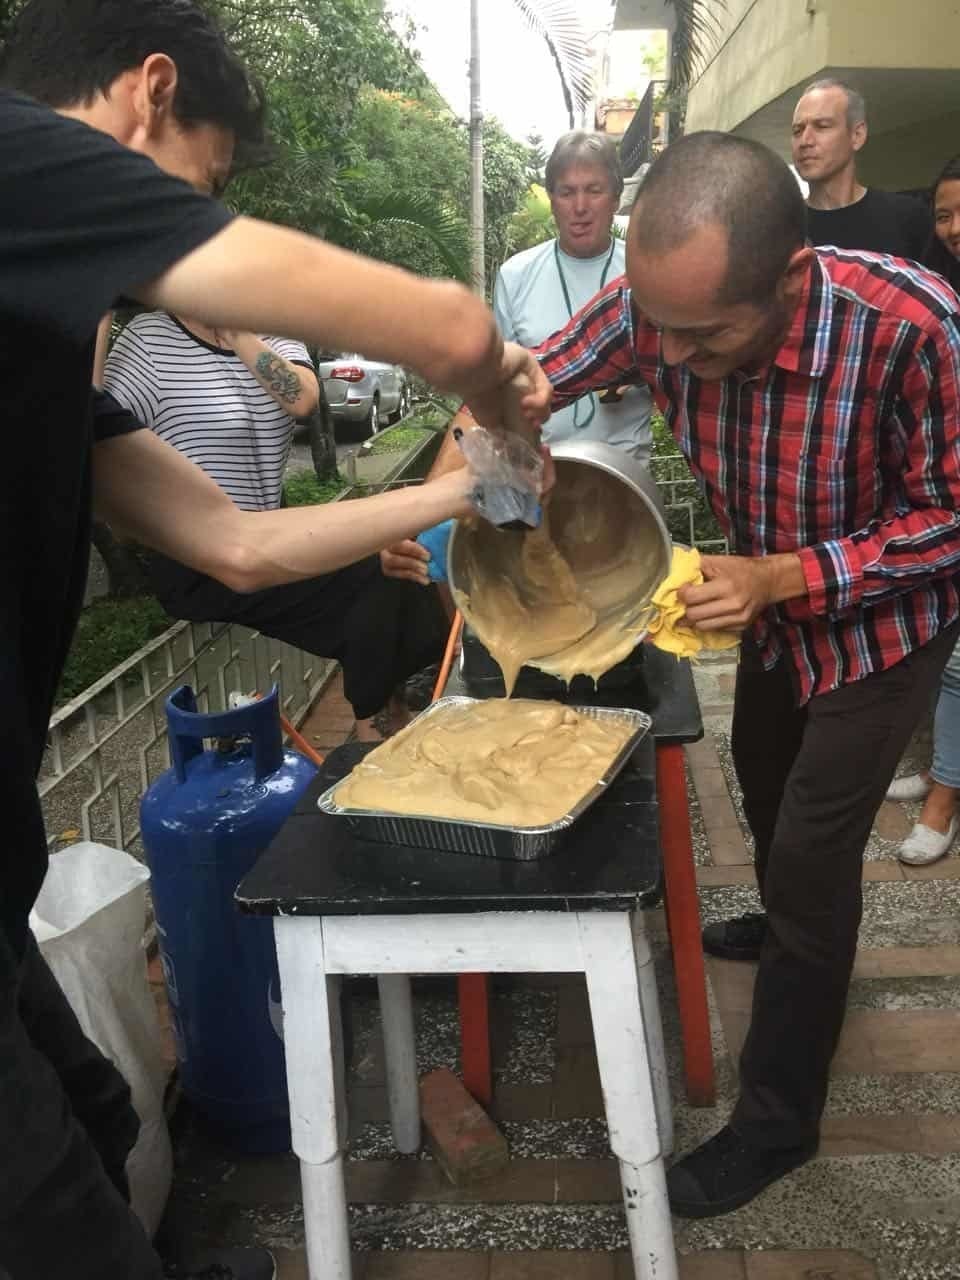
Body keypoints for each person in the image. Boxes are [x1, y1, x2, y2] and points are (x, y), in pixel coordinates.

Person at [0, 2, 550, 1278]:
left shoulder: (43, 362)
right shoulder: (18, 155)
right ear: (146, 95)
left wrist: (461, 488)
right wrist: (492, 381)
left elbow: (235, 544)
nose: (192, 211)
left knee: (91, 1113)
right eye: (205, 174)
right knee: (52, 1226)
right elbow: (452, 329)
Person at [520, 130, 960, 1217]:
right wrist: (462, 460)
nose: (665, 356)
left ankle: (777, 1118)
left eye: (703, 336)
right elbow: (534, 378)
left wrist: (785, 573)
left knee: (814, 849)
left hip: (882, 625)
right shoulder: (657, 310)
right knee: (761, 773)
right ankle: (779, 920)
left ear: (792, 278)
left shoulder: (915, 329)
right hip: (764, 602)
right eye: (654, 327)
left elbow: (953, 515)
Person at [104, 312, 447, 740]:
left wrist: (233, 329)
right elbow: (98, 434)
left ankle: (389, 714)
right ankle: (376, 730)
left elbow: (302, 400)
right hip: (197, 556)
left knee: (392, 556)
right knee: (369, 577)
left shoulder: (269, 332)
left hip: (268, 539)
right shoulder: (150, 340)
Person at [380, 130, 653, 588]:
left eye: (594, 190)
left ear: (615, 195)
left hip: (617, 483)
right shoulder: (517, 275)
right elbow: (489, 394)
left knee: (614, 603)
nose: (580, 206)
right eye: (567, 192)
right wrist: (421, 511)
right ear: (552, 198)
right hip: (534, 481)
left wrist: (638, 375)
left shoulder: (647, 273)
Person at [885, 155, 960, 864]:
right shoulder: (936, 290)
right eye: (943, 214)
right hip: (943, 491)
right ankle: (943, 769)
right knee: (942, 644)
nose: (954, 227)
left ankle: (944, 800)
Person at [792, 78, 930, 257]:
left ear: (857, 135)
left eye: (822, 126)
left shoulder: (908, 219)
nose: (805, 141)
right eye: (797, 130)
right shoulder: (781, 228)